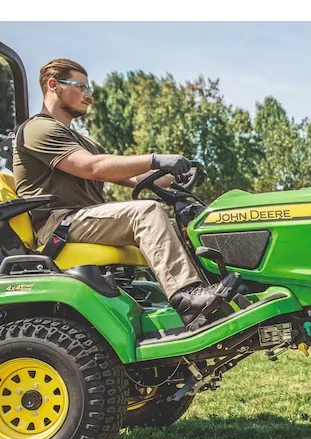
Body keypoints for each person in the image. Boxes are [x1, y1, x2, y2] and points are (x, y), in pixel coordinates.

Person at [12, 57, 231, 325]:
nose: (88, 95)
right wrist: (155, 159)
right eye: (80, 87)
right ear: (53, 85)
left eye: (89, 89)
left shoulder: (86, 141)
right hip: (59, 224)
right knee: (146, 212)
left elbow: (132, 177)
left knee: (182, 223)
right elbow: (94, 168)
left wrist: (177, 174)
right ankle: (187, 299)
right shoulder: (38, 129)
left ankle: (217, 294)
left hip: (87, 219)